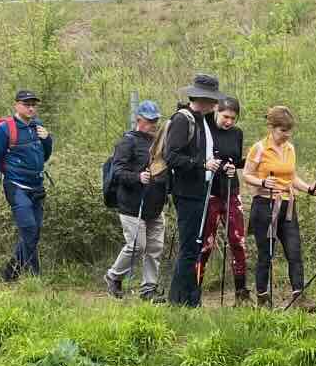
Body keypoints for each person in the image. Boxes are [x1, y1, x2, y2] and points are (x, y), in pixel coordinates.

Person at [162, 73, 227, 307]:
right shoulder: (183, 119)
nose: (216, 104)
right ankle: (178, 301)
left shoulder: (201, 120)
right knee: (189, 247)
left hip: (200, 191)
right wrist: (201, 165)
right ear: (203, 98)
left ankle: (191, 299)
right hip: (187, 193)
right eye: (213, 99)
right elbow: (172, 156)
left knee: (196, 246)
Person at [244, 105, 313, 307]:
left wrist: (309, 188)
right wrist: (263, 183)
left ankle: (299, 297)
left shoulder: (290, 148)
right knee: (266, 254)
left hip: (287, 205)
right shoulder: (259, 148)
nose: (287, 134)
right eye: (283, 130)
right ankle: (263, 297)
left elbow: (292, 178)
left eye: (289, 130)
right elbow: (247, 175)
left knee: (295, 251)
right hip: (265, 205)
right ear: (271, 128)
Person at [0, 89, 54, 281]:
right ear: (17, 105)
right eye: (26, 104)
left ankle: (21, 275)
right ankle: (23, 275)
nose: (31, 108)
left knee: (33, 233)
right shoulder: (6, 129)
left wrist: (47, 139)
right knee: (29, 229)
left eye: (33, 104)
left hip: (37, 187)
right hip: (16, 186)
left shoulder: (37, 126)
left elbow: (44, 156)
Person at [104, 100, 167, 300]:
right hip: (131, 205)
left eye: (155, 120)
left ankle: (148, 288)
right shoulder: (127, 142)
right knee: (137, 246)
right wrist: (138, 177)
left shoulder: (159, 142)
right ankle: (113, 276)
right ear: (139, 120)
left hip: (155, 204)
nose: (153, 124)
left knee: (155, 248)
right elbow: (118, 172)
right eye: (149, 120)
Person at [198, 95, 250, 304]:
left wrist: (234, 165)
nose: (229, 121)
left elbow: (236, 160)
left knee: (238, 241)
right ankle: (195, 290)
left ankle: (241, 293)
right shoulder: (205, 128)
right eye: (225, 116)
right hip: (209, 191)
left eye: (233, 118)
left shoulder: (237, 133)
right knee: (205, 244)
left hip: (231, 189)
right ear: (217, 111)